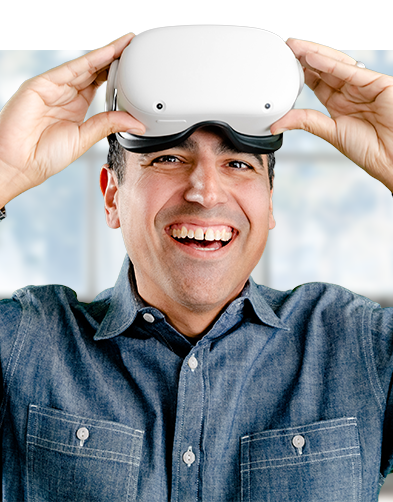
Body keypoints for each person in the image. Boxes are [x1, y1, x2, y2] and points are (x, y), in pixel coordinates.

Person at [1, 30, 393, 501]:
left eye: (239, 165)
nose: (205, 192)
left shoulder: (360, 347)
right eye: (167, 158)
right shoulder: (27, 345)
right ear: (111, 197)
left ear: (270, 204)